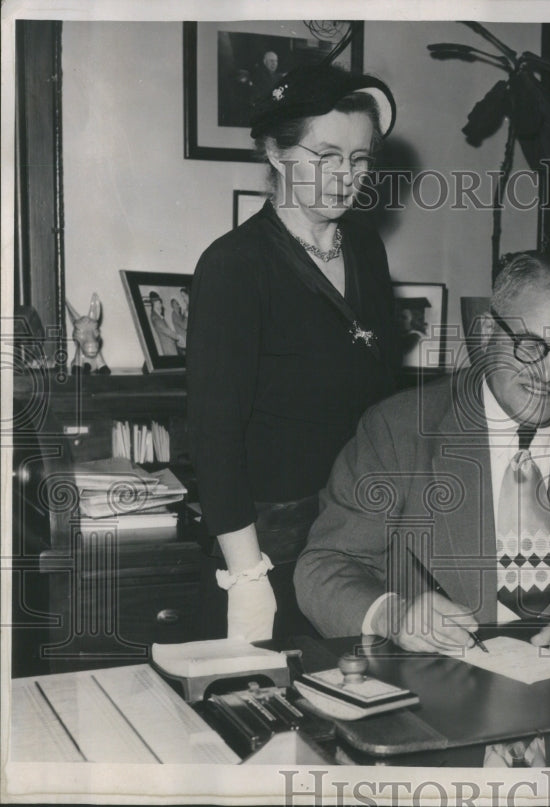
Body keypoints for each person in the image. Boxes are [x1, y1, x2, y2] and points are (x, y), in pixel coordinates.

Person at [295, 252, 550, 766]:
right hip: (435, 728)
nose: (549, 373)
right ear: (489, 333)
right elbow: (322, 567)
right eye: (532, 346)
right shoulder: (399, 429)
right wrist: (396, 614)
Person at [187, 59, 399, 642]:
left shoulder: (366, 253)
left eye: (358, 159)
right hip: (268, 554)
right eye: (325, 155)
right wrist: (247, 575)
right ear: (276, 155)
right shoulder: (236, 266)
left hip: (355, 545)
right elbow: (215, 435)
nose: (345, 175)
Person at [148, 291, 179, 356]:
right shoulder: (155, 317)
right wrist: (178, 337)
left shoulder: (158, 315)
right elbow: (165, 330)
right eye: (159, 303)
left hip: (170, 345)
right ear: (155, 303)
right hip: (168, 347)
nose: (161, 305)